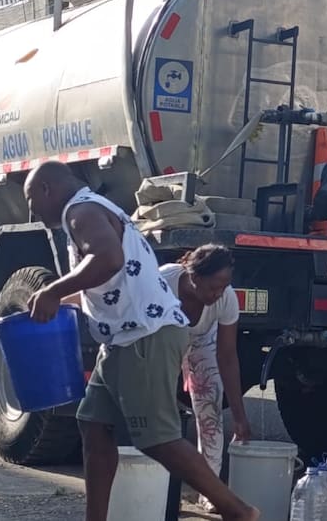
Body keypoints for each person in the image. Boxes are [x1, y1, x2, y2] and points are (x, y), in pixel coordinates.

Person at [23, 161, 258, 521]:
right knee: (93, 425)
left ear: (47, 190)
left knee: (157, 438)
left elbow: (108, 258)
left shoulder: (80, 211)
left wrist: (54, 291)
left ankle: (237, 511)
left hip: (146, 335)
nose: (30, 211)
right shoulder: (91, 208)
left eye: (30, 200)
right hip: (122, 339)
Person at [159, 244, 252, 513]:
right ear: (194, 278)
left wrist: (239, 416)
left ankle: (209, 491)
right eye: (214, 287)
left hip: (202, 339)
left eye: (224, 286)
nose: (219, 294)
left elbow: (227, 356)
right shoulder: (164, 282)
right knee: (159, 411)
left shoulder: (226, 298)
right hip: (162, 337)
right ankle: (162, 488)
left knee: (210, 408)